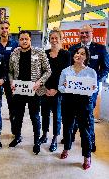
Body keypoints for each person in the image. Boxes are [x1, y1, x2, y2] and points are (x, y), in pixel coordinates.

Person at [8, 30, 51, 155]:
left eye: (26, 39)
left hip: (34, 90)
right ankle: (17, 137)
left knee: (35, 117)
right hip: (19, 90)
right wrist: (11, 82)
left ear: (30, 40)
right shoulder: (14, 53)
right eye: (21, 39)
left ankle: (37, 141)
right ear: (19, 40)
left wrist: (40, 82)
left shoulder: (39, 52)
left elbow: (48, 71)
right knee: (18, 116)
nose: (24, 41)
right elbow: (10, 71)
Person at [67, 24, 109, 152]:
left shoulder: (100, 49)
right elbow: (69, 67)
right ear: (79, 34)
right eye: (82, 33)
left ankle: (91, 141)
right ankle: (71, 138)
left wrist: (94, 80)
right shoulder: (73, 48)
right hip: (75, 87)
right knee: (74, 113)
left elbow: (106, 68)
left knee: (88, 114)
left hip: (91, 89)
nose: (84, 35)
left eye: (87, 32)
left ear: (92, 33)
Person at [59, 46, 97, 170]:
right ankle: (66, 148)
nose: (78, 55)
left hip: (84, 103)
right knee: (68, 127)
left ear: (86, 57)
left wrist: (92, 89)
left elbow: (95, 88)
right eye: (77, 53)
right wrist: (65, 86)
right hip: (68, 102)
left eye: (82, 54)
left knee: (85, 130)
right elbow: (60, 87)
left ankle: (87, 156)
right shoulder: (65, 71)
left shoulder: (91, 72)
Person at [39, 28, 70, 152]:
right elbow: (40, 72)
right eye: (52, 38)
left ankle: (55, 138)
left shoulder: (66, 54)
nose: (54, 40)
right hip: (45, 90)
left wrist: (56, 89)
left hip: (58, 91)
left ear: (61, 39)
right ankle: (45, 135)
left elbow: (66, 73)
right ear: (49, 39)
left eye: (56, 38)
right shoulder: (44, 54)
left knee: (57, 116)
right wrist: (44, 88)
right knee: (45, 114)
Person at [0, 20, 18, 135]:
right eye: (2, 28)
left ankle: (14, 130)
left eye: (6, 28)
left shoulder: (15, 44)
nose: (4, 30)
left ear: (9, 29)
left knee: (12, 105)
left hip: (11, 78)